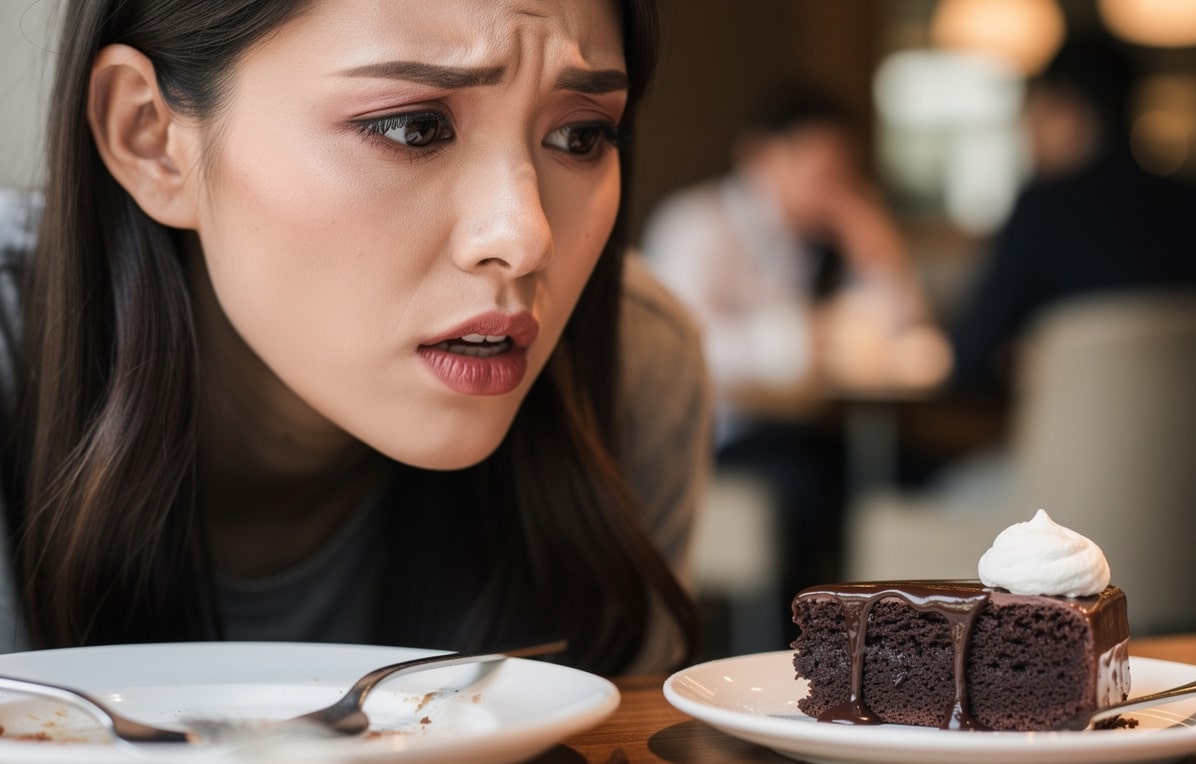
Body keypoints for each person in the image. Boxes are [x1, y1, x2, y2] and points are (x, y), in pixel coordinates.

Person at [0, 0, 711, 676]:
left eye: (581, 136)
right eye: (413, 127)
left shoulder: (630, 368)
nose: (525, 238)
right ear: (149, 137)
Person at [641, 86, 929, 609]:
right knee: (812, 486)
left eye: (843, 173)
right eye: (821, 171)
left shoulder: (816, 242)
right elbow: (683, 348)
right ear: (760, 157)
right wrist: (804, 338)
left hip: (800, 426)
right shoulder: (698, 226)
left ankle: (877, 641)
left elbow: (903, 326)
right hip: (713, 437)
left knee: (900, 476)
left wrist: (874, 243)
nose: (832, 189)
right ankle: (798, 647)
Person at [951, 36, 1196, 393]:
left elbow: (969, 359)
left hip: (1069, 444)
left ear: (1070, 110)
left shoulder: (1043, 209)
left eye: (1038, 113)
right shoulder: (1190, 204)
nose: (1028, 131)